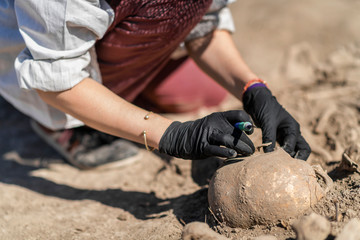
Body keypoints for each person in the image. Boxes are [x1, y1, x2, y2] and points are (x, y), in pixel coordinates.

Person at [0, 0, 311, 170]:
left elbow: (205, 19)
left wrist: (253, 88)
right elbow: (57, 77)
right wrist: (171, 135)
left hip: (119, 28)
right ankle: (65, 124)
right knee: (64, 99)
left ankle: (123, 91)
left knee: (201, 92)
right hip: (41, 48)